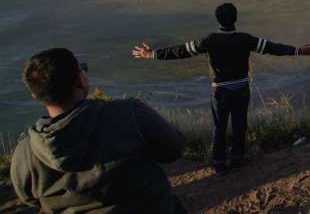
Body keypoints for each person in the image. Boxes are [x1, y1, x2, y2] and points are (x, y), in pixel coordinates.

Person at [132, 2, 310, 175]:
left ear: (218, 19)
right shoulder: (245, 39)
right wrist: (297, 50)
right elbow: (272, 48)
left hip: (220, 92)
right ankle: (237, 159)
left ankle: (219, 163)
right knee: (240, 125)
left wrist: (151, 54)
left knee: (219, 127)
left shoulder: (210, 41)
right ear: (235, 18)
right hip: (241, 89)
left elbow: (180, 51)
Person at [11, 47, 186, 213]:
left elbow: (28, 198)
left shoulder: (26, 153)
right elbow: (173, 149)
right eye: (82, 69)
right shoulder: (129, 113)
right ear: (80, 81)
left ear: (35, 94)